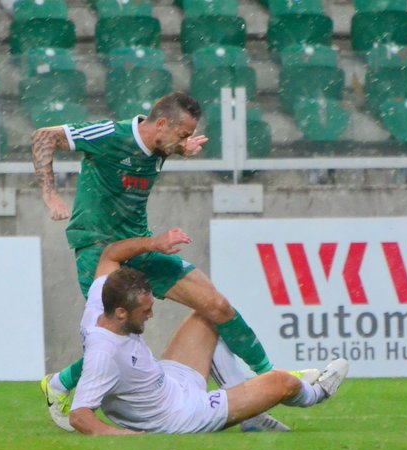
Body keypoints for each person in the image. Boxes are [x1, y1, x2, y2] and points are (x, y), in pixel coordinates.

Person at [32, 92, 304, 432]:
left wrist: (181, 148)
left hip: (144, 247)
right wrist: (50, 193)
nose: (187, 140)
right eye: (183, 134)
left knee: (216, 306)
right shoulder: (111, 135)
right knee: (117, 339)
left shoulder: (160, 146)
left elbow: (166, 147)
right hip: (100, 250)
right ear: (161, 123)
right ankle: (58, 385)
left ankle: (269, 376)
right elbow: (43, 136)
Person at [68, 228, 350, 435]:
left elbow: (110, 254)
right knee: (281, 383)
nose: (151, 315)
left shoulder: (99, 299)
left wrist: (154, 243)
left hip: (168, 381)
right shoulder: (103, 353)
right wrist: (123, 436)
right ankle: (317, 393)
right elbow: (80, 416)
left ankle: (249, 412)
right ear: (120, 312)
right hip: (180, 415)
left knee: (210, 312)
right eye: (145, 311)